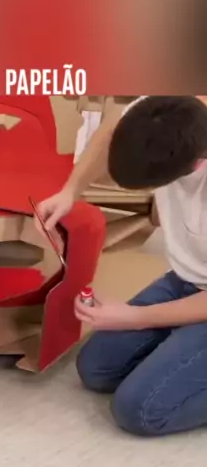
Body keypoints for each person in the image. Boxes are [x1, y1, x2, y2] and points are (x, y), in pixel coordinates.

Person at [36, 95, 207, 437]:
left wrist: (135, 317)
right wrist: (70, 191)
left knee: (139, 410)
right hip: (188, 279)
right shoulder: (166, 111)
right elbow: (112, 128)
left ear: (196, 165)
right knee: (96, 369)